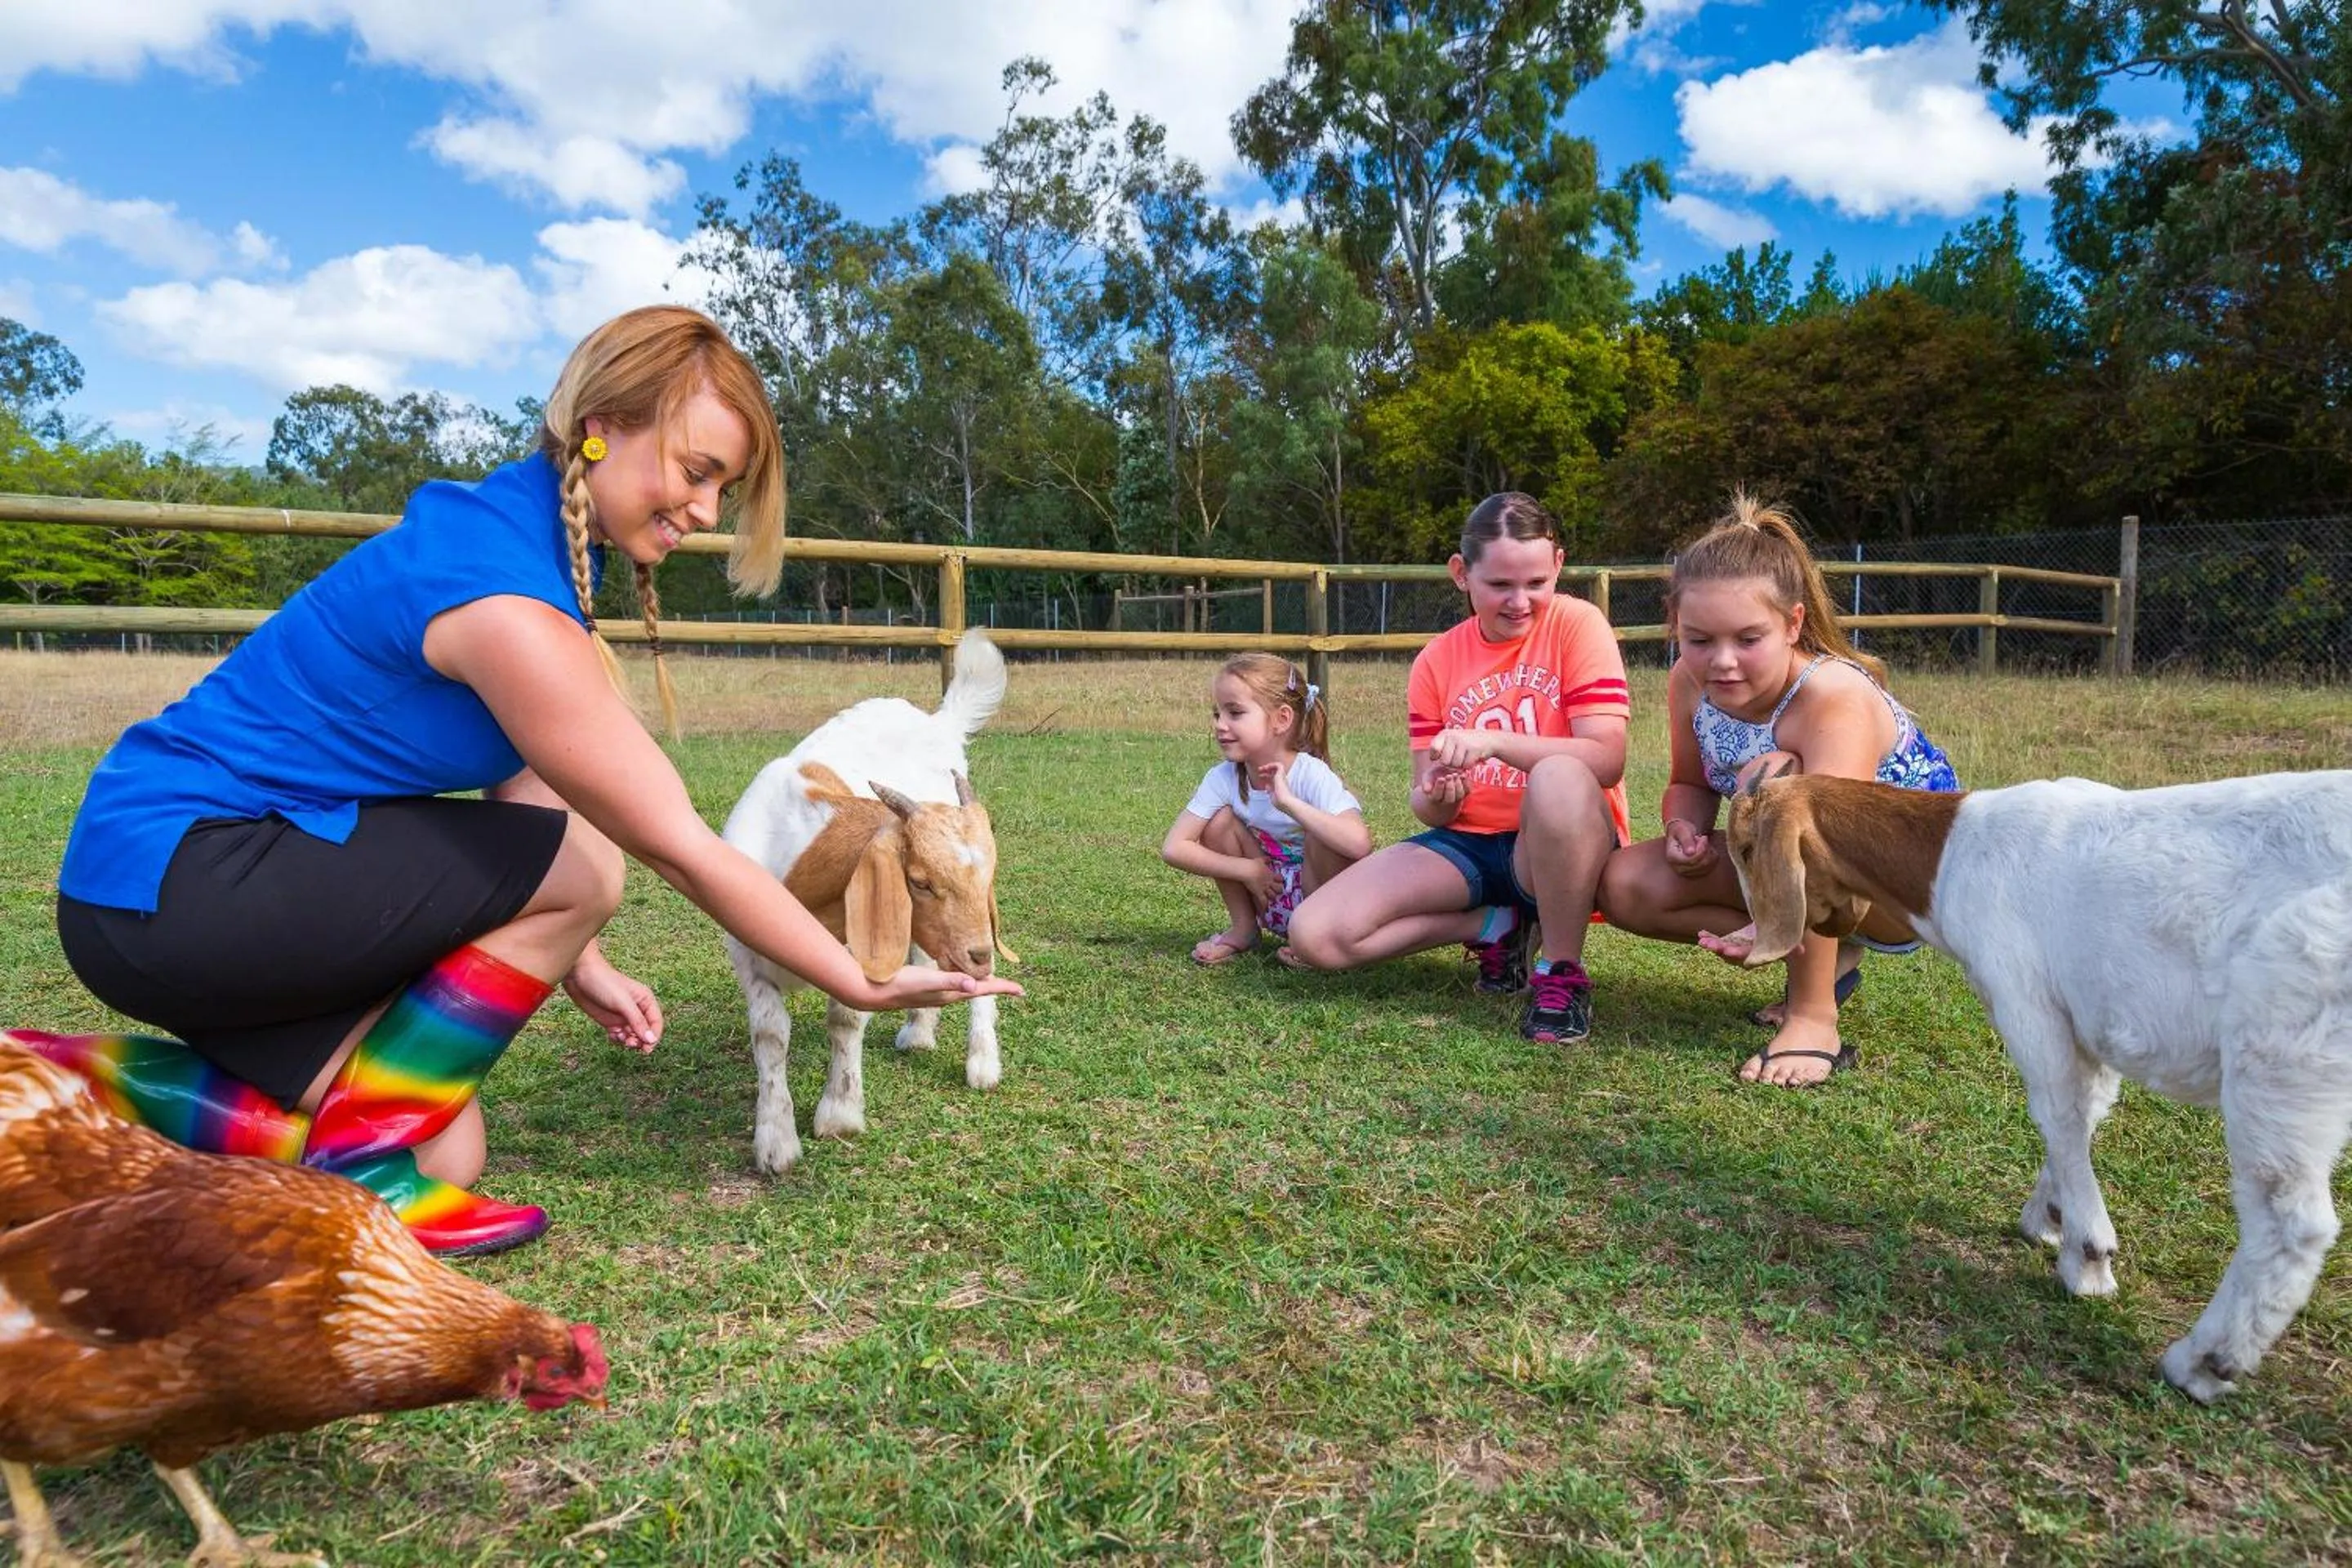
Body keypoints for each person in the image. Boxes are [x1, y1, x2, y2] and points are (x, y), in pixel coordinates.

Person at [41, 305, 1020, 1257]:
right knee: (592, 868)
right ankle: (354, 1161)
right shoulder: (507, 597)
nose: (706, 512)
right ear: (600, 431)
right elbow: (672, 842)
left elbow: (528, 784)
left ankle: (72, 1086)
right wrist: (854, 977)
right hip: (185, 873)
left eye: (725, 488)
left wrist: (578, 966)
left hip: (155, 901)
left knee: (448, 1150)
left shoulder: (526, 546)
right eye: (696, 472)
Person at [1597, 493, 1959, 1088]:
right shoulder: (1689, 683)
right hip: (1799, 866)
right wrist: (1683, 831)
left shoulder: (1832, 697)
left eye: (1748, 638)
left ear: (1793, 624)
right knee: (1627, 886)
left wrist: (1775, 906)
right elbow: (1689, 783)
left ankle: (1815, 1017)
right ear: (1674, 625)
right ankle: (1827, 958)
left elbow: (1829, 850)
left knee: (1777, 783)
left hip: (1908, 887)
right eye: (1699, 639)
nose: (1723, 662)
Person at [1283, 492, 1630, 1045]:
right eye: (1499, 586)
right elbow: (1424, 801)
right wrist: (1441, 795)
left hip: (1553, 846)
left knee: (1558, 775)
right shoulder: (1436, 660)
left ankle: (1560, 973)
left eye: (1537, 583)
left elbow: (1607, 759)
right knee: (1314, 936)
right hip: (1468, 844)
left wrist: (1493, 741)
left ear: (1559, 566)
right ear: (1461, 574)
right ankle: (1497, 928)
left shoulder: (1578, 625)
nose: (1520, 601)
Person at [1160, 653, 1370, 966]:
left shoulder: (1310, 774)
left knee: (1321, 834)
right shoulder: (1223, 778)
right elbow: (1174, 848)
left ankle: (1316, 940)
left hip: (1324, 907)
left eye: (1235, 713)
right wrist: (1248, 870)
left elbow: (1359, 844)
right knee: (1218, 822)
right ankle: (1244, 929)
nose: (1220, 725)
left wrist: (1290, 804)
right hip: (1267, 892)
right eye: (1217, 714)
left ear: (1281, 719)